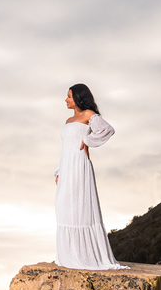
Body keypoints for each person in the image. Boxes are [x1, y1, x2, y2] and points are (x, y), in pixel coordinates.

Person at [54, 83, 127, 270]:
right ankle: (69, 254)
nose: (66, 99)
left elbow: (107, 130)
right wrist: (59, 171)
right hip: (67, 167)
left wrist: (88, 141)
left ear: (78, 97)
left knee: (81, 208)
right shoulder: (68, 121)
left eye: (69, 96)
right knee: (63, 208)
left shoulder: (88, 115)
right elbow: (65, 149)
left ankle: (86, 257)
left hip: (79, 165)